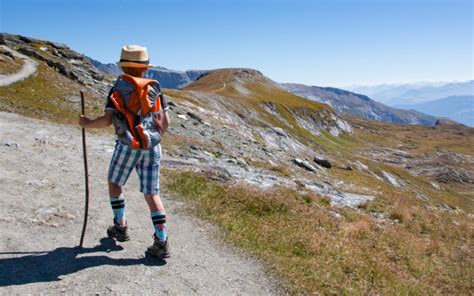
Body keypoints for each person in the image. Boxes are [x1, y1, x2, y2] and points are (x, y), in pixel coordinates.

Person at [78, 45, 171, 258]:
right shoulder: (155, 88)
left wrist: (86, 123)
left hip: (127, 146)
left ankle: (120, 226)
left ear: (123, 67)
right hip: (153, 147)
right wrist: (152, 139)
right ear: (145, 67)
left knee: (115, 183)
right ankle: (161, 240)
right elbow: (166, 121)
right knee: (152, 193)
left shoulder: (119, 87)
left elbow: (106, 121)